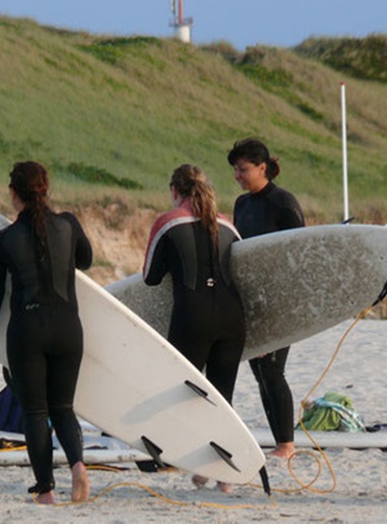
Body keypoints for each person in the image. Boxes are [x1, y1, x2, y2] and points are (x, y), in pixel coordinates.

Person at [0, 161, 92, 504]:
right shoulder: (68, 225)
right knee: (63, 407)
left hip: (28, 331)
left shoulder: (4, 239)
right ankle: (78, 466)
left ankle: (46, 491)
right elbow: (85, 259)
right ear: (46, 190)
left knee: (36, 412)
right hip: (69, 328)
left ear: (13, 194)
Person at [142, 164, 245, 493]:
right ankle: (222, 475)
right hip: (233, 319)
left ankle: (188, 460)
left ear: (175, 191)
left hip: (193, 318)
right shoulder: (227, 222)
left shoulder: (167, 222)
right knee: (222, 399)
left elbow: (150, 276)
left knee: (184, 394)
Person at [228, 138, 306, 460]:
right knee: (260, 370)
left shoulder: (283, 203)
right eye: (235, 170)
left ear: (263, 167)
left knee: (273, 369)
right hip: (252, 299)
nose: (238, 176)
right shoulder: (242, 205)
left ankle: (286, 444)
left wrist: (286, 303)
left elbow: (300, 255)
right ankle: (280, 442)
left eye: (243, 169)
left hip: (279, 299)